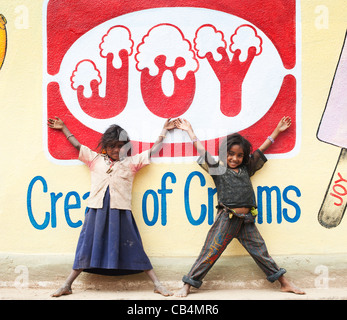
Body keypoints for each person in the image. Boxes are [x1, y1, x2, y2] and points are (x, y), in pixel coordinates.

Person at [174, 117, 305, 297]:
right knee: (210, 251)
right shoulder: (218, 169)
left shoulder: (247, 168)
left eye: (239, 155)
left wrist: (277, 131)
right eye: (230, 154)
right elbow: (203, 152)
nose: (234, 158)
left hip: (246, 221)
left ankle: (284, 283)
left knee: (261, 252)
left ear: (244, 157)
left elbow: (261, 149)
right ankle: (187, 284)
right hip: (227, 219)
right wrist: (190, 131)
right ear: (223, 153)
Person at [47, 116, 174, 297]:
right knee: (86, 246)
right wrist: (64, 128)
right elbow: (77, 145)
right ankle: (67, 284)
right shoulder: (95, 160)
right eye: (112, 146)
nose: (116, 149)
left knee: (135, 246)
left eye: (121, 145)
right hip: (96, 211)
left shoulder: (131, 163)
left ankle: (157, 284)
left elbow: (152, 150)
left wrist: (164, 131)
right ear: (105, 147)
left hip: (121, 212)